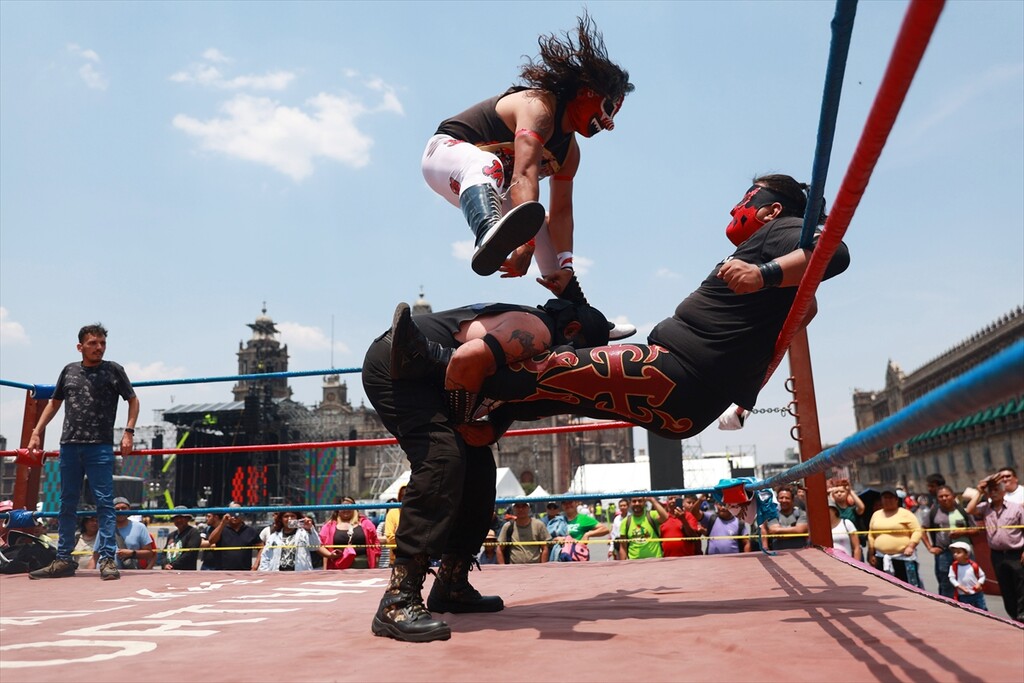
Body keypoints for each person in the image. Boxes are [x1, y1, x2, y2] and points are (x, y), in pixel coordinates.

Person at [459, 174, 851, 442]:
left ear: (772, 209)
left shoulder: (780, 231)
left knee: (550, 369)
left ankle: (444, 375)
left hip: (680, 374)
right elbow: (798, 313)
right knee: (559, 393)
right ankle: (493, 421)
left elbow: (834, 251)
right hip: (686, 392)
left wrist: (761, 275)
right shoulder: (779, 263)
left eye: (747, 200)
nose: (735, 209)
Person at [362, 298, 609, 643]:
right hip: (398, 368)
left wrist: (493, 425)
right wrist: (467, 410)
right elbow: (468, 360)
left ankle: (452, 583)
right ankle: (398, 600)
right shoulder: (536, 331)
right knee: (441, 458)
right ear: (571, 332)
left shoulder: (545, 346)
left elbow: (510, 394)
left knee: (477, 467)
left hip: (438, 383)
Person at [421, 12, 634, 309]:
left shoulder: (570, 153)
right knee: (494, 172)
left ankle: (579, 311)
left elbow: (561, 212)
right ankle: (488, 231)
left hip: (492, 189)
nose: (609, 123)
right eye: (608, 108)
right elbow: (524, 174)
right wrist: (523, 242)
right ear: (586, 92)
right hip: (447, 157)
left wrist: (566, 265)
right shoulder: (539, 108)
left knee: (541, 224)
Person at [27, 323, 139, 581]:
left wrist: (129, 432)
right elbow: (54, 403)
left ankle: (108, 559)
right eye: (93, 343)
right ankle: (64, 559)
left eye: (102, 343)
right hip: (69, 445)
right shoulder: (69, 370)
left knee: (104, 503)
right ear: (80, 347)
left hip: (99, 446)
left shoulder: (113, 370)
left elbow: (133, 400)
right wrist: (36, 432)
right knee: (67, 502)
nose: (99, 348)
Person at [965, 474, 1024, 622]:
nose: (993, 492)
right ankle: (1014, 616)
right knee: (1005, 586)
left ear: (1003, 491)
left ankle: (1022, 614)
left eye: (996, 489)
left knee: (1021, 585)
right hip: (997, 555)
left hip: (1016, 553)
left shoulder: (1016, 508)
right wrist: (980, 491)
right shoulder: (985, 508)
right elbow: (969, 510)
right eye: (990, 490)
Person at [921, 485, 973, 599]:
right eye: (941, 496)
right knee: (946, 584)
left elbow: (976, 530)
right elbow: (922, 530)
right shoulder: (933, 512)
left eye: (947, 495)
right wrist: (930, 547)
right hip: (943, 554)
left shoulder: (962, 511)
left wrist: (962, 532)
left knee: (968, 581)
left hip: (964, 554)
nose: (944, 498)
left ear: (953, 496)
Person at [867, 489, 923, 587]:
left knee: (908, 586)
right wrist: (871, 553)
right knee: (884, 586)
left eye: (890, 498)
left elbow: (917, 531)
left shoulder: (906, 514)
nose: (887, 500)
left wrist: (911, 546)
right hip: (881, 557)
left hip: (903, 557)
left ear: (896, 500)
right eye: (885, 498)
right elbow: (871, 534)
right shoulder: (876, 514)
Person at [258, 510, 339, 572]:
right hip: (278, 574)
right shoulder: (273, 537)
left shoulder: (304, 533)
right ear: (281, 519)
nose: (289, 519)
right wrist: (264, 573)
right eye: (286, 516)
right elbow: (265, 557)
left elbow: (315, 546)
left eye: (292, 516)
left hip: (300, 574)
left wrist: (310, 529)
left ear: (297, 518)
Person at [320, 497, 381, 570]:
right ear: (337, 509)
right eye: (343, 507)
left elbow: (376, 544)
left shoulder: (366, 523)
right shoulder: (328, 526)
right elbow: (320, 545)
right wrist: (330, 555)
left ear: (354, 508)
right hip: (338, 568)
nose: (346, 509)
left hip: (364, 567)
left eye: (349, 506)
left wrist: (376, 565)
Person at [206, 502, 263, 571]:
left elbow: (261, 547)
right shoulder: (221, 529)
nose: (235, 516)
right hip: (223, 572)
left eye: (237, 513)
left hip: (244, 572)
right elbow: (211, 541)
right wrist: (222, 523)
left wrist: (255, 566)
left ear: (242, 514)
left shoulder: (250, 531)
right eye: (232, 513)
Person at [109, 497, 156, 570]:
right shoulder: (105, 529)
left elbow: (149, 553)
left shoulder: (140, 527)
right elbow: (95, 556)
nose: (120, 511)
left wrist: (132, 553)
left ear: (129, 509)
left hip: (130, 572)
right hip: (107, 573)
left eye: (123, 508)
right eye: (117, 509)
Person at [617, 496, 668, 561]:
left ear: (644, 502)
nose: (637, 503)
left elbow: (665, 517)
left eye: (640, 501)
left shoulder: (652, 515)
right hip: (634, 561)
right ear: (630, 503)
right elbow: (623, 546)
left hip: (655, 560)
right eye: (634, 501)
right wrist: (623, 563)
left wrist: (652, 500)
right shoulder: (625, 521)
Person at [947, 541, 988, 610]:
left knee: (982, 609)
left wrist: (979, 584)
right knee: (966, 611)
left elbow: (982, 576)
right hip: (963, 595)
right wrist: (960, 587)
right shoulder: (953, 567)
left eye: (958, 552)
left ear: (966, 555)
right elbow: (951, 578)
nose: (955, 554)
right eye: (954, 552)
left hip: (977, 594)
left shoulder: (973, 565)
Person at [766, 487, 809, 551]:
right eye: (781, 498)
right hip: (778, 553)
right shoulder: (772, 515)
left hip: (801, 552)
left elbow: (800, 530)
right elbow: (773, 530)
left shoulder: (801, 514)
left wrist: (779, 532)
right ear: (777, 500)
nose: (784, 500)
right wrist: (794, 531)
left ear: (792, 500)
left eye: (787, 498)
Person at [163, 506, 201, 571]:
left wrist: (172, 565)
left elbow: (190, 553)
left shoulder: (193, 533)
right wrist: (165, 564)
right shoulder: (171, 535)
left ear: (188, 519)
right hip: (170, 571)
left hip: (186, 572)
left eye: (181, 517)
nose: (179, 520)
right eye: (176, 518)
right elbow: (164, 553)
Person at [383, 485, 406, 566]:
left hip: (417, 559)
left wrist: (398, 536)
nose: (405, 498)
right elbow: (389, 537)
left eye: (408, 495)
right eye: (402, 495)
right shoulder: (393, 513)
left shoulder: (419, 513)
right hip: (397, 559)